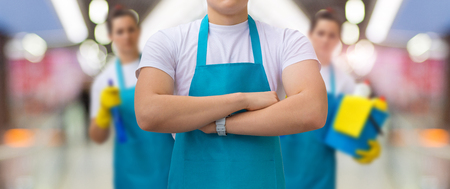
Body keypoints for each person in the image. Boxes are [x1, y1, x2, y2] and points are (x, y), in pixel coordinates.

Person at [134, 0, 328, 188]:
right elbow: (148, 112)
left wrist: (221, 124)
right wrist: (242, 99)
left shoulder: (288, 41)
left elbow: (313, 110)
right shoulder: (167, 42)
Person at [280, 10, 382, 189]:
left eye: (332, 35)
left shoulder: (344, 81)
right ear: (310, 34)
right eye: (321, 33)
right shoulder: (288, 69)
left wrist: (365, 136)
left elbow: (348, 132)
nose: (325, 40)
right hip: (283, 162)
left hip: (320, 170)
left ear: (338, 40)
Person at [88, 6, 174, 189]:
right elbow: (97, 137)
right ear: (111, 35)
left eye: (130, 29)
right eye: (120, 31)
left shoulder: (159, 66)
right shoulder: (105, 80)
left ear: (138, 31)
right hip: (131, 169)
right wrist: (103, 111)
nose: (126, 36)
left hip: (167, 159)